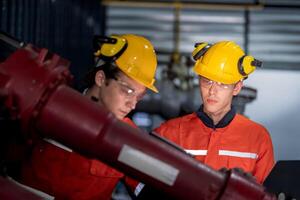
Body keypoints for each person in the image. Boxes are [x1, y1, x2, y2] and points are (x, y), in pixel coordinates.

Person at [19, 34, 159, 200]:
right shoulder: (52, 108)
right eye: (128, 91)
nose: (133, 104)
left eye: (139, 96)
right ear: (101, 78)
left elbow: (149, 191)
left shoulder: (128, 138)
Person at [154, 41, 274, 184]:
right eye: (207, 81)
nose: (212, 91)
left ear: (236, 88)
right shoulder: (168, 133)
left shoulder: (257, 138)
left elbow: (265, 195)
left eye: (222, 84)